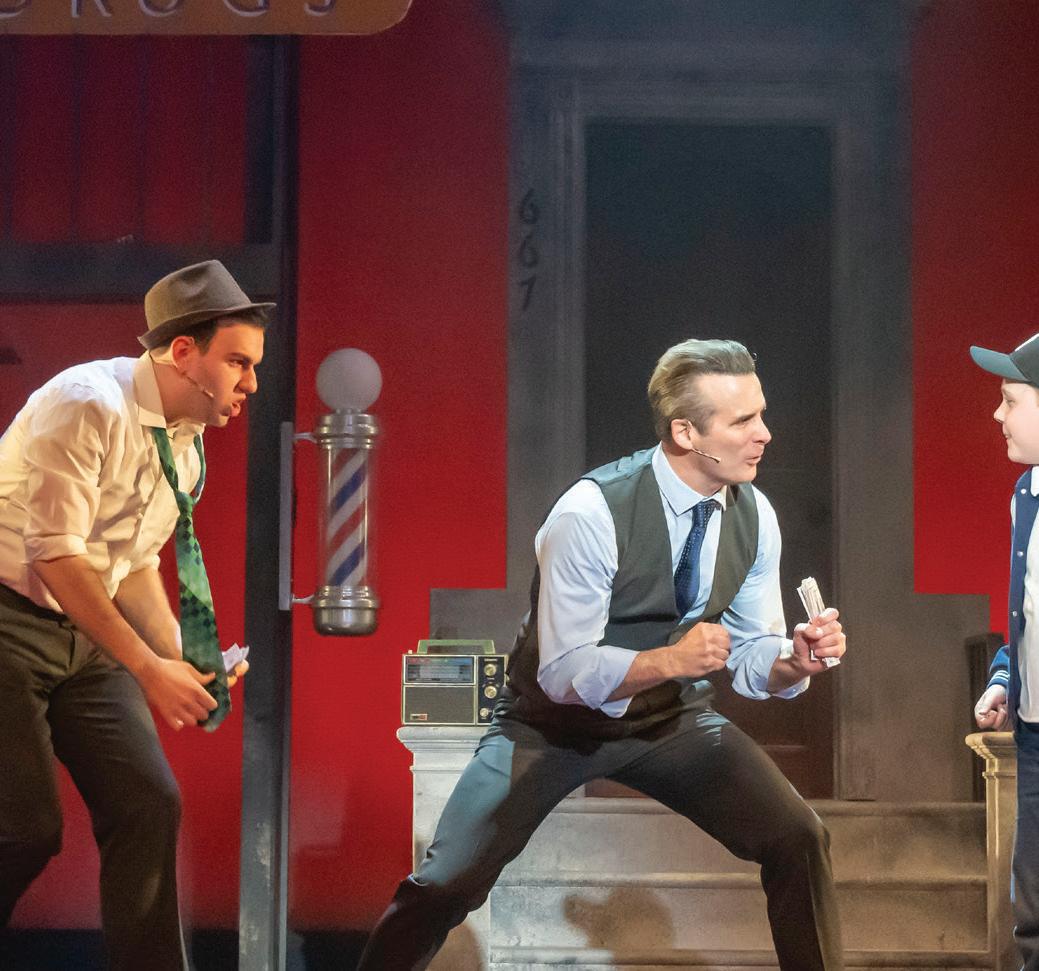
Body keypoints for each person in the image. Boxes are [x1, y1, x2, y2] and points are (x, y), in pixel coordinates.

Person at [358, 338, 847, 970]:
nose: (765, 434)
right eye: (743, 421)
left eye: (762, 414)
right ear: (686, 433)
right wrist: (672, 660)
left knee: (798, 837)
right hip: (549, 726)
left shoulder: (754, 515)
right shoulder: (589, 513)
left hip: (668, 720)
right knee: (444, 884)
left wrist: (793, 662)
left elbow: (754, 652)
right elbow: (565, 674)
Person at [0, 260, 271, 971]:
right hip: (7, 620)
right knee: (24, 829)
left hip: (84, 632)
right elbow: (56, 554)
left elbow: (132, 563)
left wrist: (179, 655)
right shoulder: (87, 405)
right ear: (182, 352)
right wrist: (148, 669)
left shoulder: (186, 439)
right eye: (238, 363)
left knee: (148, 803)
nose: (251, 383)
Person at [971, 332, 1039, 968]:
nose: (998, 414)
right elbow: (1025, 614)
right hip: (1035, 732)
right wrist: (1003, 679)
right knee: (1033, 909)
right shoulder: (1027, 494)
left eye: (1010, 400)